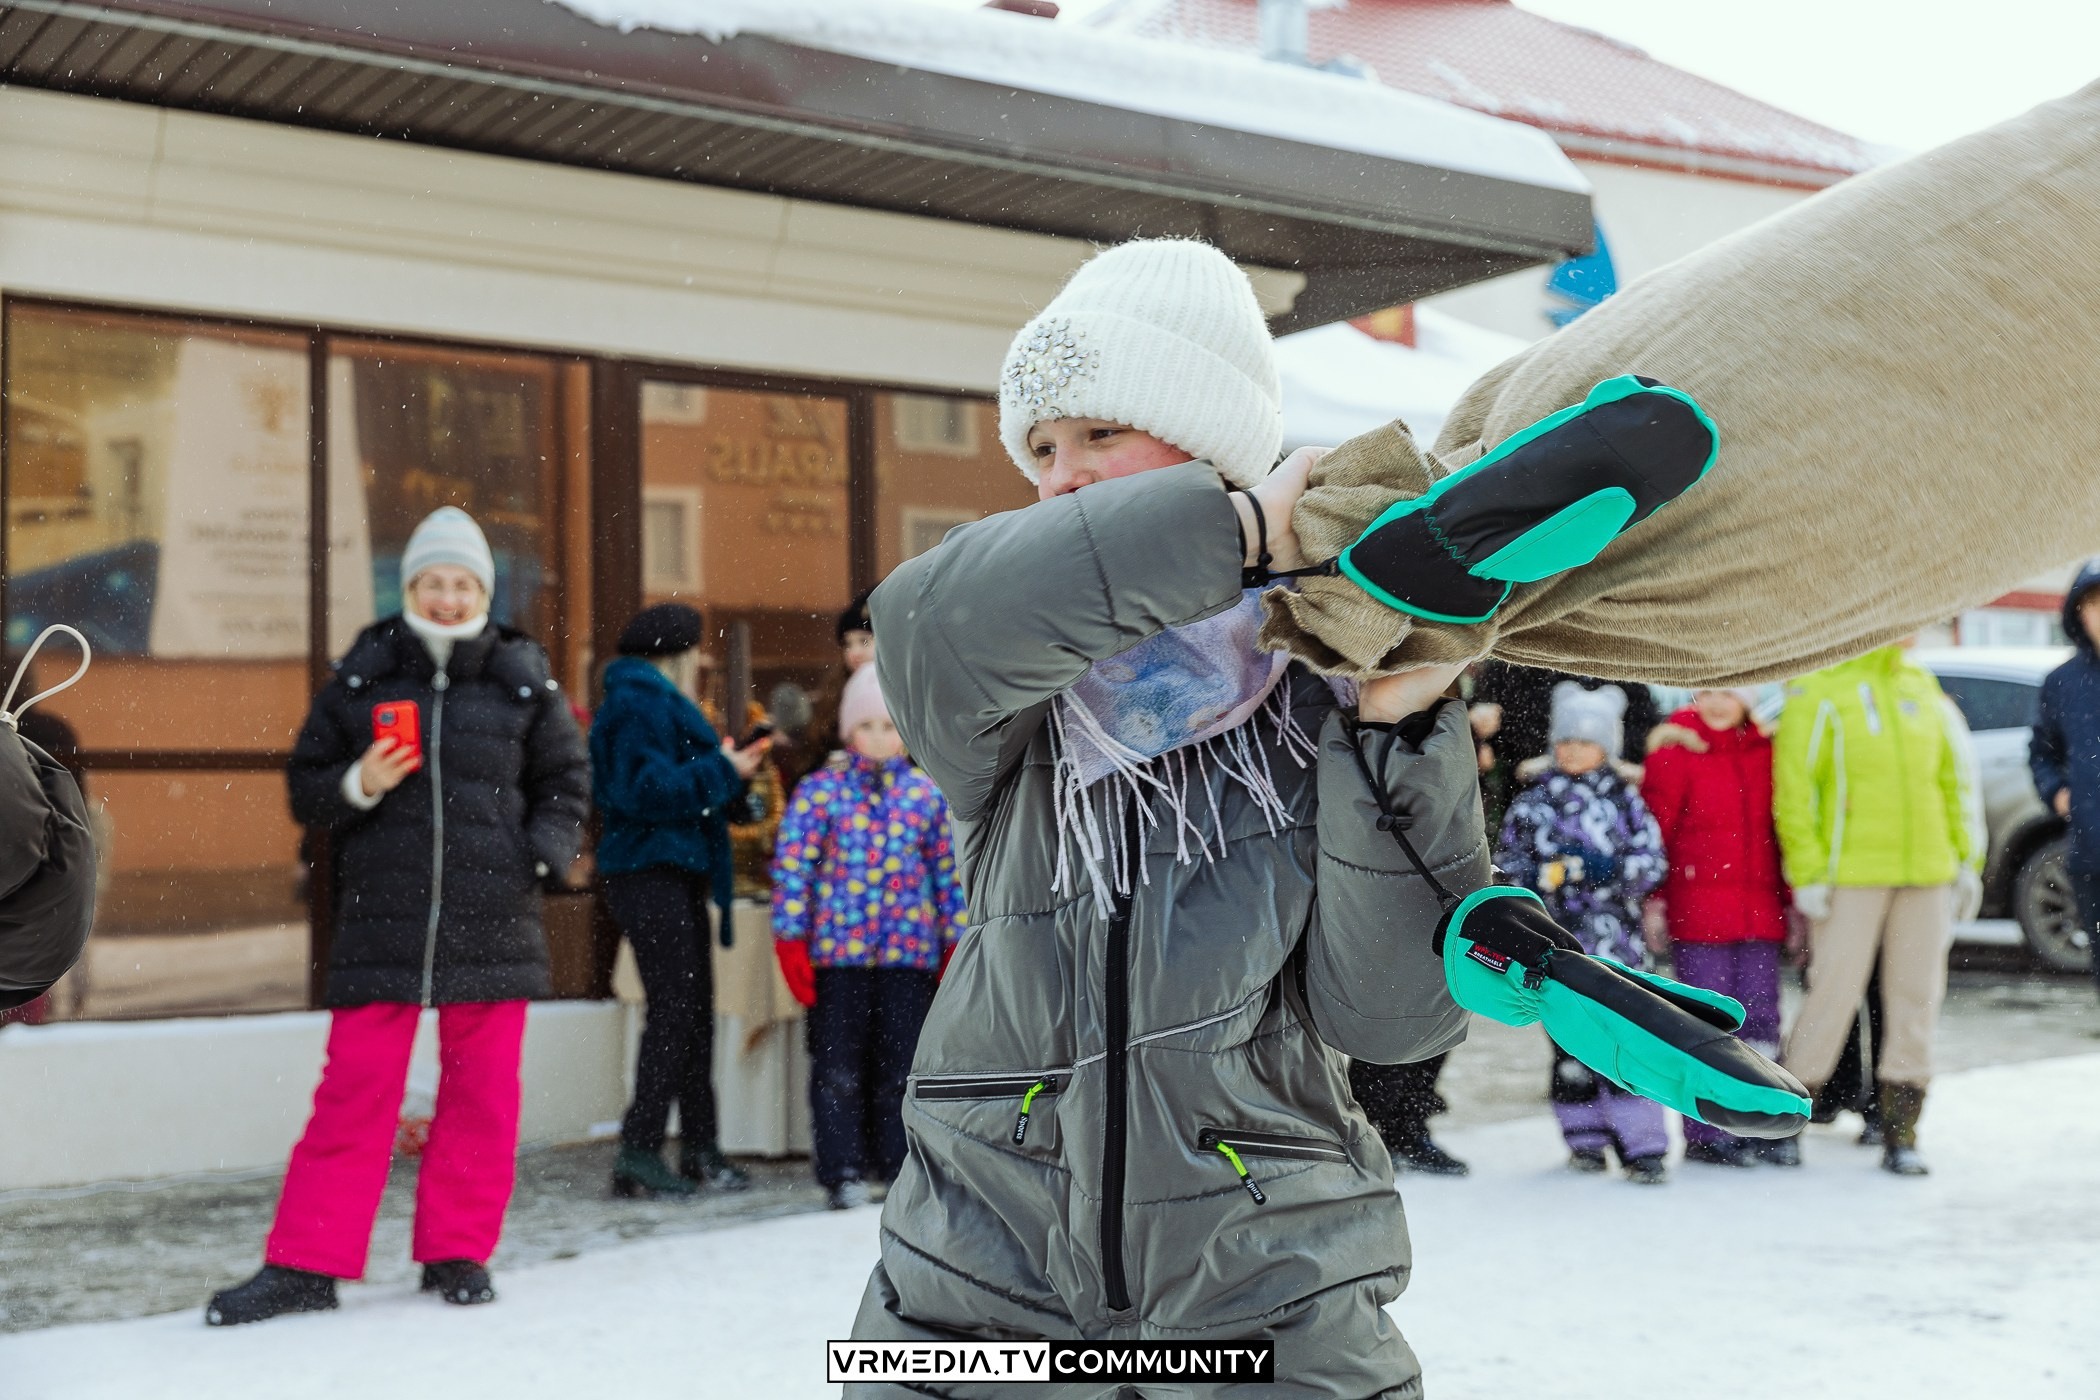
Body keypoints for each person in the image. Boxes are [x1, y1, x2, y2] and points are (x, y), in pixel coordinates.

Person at [844, 238, 1481, 1396]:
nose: (1062, 475)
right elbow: (926, 619)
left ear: (1215, 448)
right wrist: (1233, 535)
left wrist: (1401, 731)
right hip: (981, 1258)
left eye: (1101, 431)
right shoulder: (1006, 694)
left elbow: (1392, 1017)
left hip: (1267, 1270)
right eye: (1042, 446)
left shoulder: (1318, 694)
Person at [207, 507, 590, 1326]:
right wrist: (362, 782)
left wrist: (538, 857)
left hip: (494, 917)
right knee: (353, 1094)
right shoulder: (364, 674)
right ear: (410, 588)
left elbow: (566, 782)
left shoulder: (523, 678)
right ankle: (307, 1264)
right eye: (433, 582)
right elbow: (307, 786)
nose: (448, 597)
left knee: (482, 1098)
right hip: (383, 915)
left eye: (463, 584)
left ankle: (457, 1252)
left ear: (483, 591)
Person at [1772, 644, 1976, 1176]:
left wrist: (1965, 860)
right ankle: (1788, 1118)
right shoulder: (1820, 689)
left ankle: (1900, 1130)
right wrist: (1808, 871)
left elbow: (1953, 779)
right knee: (1832, 995)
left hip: (1926, 872)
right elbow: (1796, 790)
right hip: (1850, 875)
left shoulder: (1920, 686)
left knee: (1916, 999)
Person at [591, 602, 770, 1198]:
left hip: (669, 871)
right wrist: (722, 770)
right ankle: (640, 1151)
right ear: (679, 654)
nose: (704, 661)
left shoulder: (651, 703)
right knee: (676, 1012)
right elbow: (644, 792)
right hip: (650, 872)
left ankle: (697, 1147)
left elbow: (678, 786)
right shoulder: (637, 704)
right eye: (698, 651)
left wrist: (733, 780)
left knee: (690, 1014)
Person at [770, 664, 965, 1210]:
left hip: (908, 958)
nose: (880, 738)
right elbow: (793, 868)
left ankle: (897, 1165)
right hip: (841, 958)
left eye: (890, 726)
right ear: (848, 730)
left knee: (900, 1069)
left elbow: (948, 874)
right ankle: (843, 1169)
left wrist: (954, 939)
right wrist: (791, 938)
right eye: (868, 726)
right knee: (837, 1070)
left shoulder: (926, 795)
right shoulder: (820, 793)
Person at [1496, 683, 1671, 1184]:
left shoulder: (1625, 801)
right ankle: (1585, 1137)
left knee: (1627, 1040)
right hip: (1556, 946)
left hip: (1618, 947)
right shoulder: (1533, 802)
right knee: (1571, 1044)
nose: (1573, 749)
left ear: (1606, 747)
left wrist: (1605, 869)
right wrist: (1543, 877)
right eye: (1566, 740)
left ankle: (1643, 1144)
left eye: (1586, 741)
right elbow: (1507, 866)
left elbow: (1652, 862)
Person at [1641, 688, 1793, 1167]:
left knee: (1762, 1020)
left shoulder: (1767, 752)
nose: (1718, 702)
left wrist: (1795, 903)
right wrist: (1654, 900)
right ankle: (1708, 1132)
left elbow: (1782, 831)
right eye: (1708, 690)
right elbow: (1656, 834)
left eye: (1731, 692)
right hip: (1699, 913)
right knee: (1709, 1021)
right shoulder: (1675, 752)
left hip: (1760, 910)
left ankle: (1764, 1122)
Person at [2029, 559, 2100, 1008]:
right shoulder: (2063, 683)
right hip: (2092, 853)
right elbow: (2042, 752)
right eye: (2094, 605)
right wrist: (2056, 791)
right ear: (2080, 614)